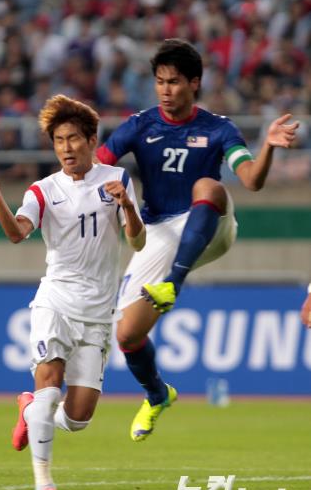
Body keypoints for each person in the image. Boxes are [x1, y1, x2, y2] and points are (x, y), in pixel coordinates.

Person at [96, 38, 299, 442]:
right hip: (158, 232)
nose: (165, 90)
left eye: (174, 82)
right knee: (127, 335)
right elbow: (97, 166)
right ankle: (157, 394)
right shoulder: (139, 125)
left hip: (211, 224)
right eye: (160, 82)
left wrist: (267, 148)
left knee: (208, 185)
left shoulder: (219, 128)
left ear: (194, 83)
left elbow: (251, 180)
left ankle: (173, 283)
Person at [0, 94, 145, 490]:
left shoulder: (117, 180)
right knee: (48, 389)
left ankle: (28, 412)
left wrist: (128, 207)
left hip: (98, 312)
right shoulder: (43, 190)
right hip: (55, 302)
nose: (66, 148)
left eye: (73, 138)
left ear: (91, 140)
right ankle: (44, 485)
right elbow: (16, 233)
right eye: (59, 140)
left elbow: (138, 241)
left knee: (78, 419)